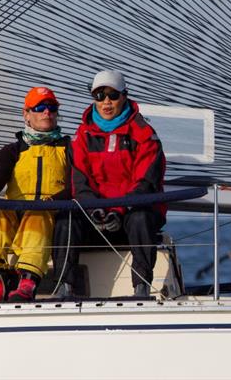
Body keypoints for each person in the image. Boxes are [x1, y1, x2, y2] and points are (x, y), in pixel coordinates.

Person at [52, 70, 166, 298]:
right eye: (99, 95)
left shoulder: (145, 135)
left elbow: (145, 184)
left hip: (129, 214)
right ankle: (64, 288)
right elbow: (80, 184)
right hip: (96, 215)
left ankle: (141, 287)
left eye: (112, 95)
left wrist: (117, 211)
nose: (106, 102)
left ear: (124, 96)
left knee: (141, 217)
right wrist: (97, 211)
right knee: (67, 218)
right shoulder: (82, 136)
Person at [0, 86, 71, 302]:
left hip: (49, 212)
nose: (46, 112)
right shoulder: (12, 150)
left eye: (51, 108)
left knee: (38, 213)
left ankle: (27, 282)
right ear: (26, 114)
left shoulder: (68, 149)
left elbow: (75, 186)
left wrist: (52, 202)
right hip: (16, 213)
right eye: (39, 108)